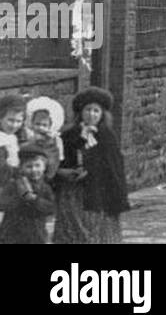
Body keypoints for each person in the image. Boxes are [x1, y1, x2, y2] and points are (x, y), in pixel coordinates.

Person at [53, 87, 130, 244]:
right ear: (81, 112)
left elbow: (114, 168)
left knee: (99, 234)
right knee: (74, 232)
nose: (92, 114)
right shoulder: (69, 135)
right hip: (74, 193)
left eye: (96, 111)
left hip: (99, 195)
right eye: (88, 110)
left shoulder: (107, 136)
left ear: (102, 114)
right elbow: (60, 160)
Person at [0, 144, 55, 243]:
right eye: (29, 166)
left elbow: (51, 208)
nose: (34, 170)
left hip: (37, 233)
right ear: (21, 168)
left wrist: (34, 199)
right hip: (12, 233)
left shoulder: (45, 187)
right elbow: (2, 204)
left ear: (44, 167)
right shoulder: (13, 184)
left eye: (37, 165)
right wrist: (20, 197)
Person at [22, 98, 64, 184]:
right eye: (37, 124)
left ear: (50, 126)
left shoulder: (53, 137)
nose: (41, 127)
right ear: (32, 124)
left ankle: (48, 176)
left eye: (44, 125)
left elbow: (57, 154)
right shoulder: (29, 136)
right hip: (33, 165)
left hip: (49, 162)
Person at [0, 94, 25, 178]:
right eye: (10, 120)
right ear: (1, 118)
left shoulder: (13, 137)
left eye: (19, 121)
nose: (14, 125)